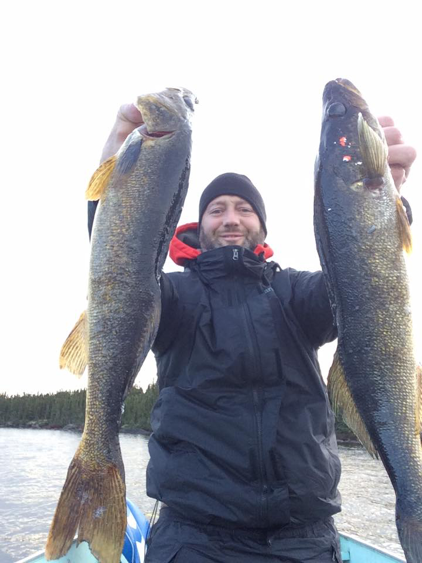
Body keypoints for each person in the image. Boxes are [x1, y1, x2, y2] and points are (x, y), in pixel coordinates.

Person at [91, 105, 417, 563]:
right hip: (193, 539)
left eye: (243, 209)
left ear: (261, 225)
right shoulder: (173, 296)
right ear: (198, 225)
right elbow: (123, 272)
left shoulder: (296, 293)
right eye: (217, 210)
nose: (230, 218)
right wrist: (117, 191)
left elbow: (361, 287)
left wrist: (381, 204)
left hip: (305, 538)